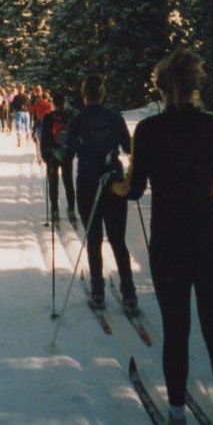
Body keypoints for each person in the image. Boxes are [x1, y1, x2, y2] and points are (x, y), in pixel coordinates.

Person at [111, 49, 213, 425]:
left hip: (169, 240)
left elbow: (133, 191)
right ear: (196, 86)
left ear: (160, 88)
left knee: (176, 330)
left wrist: (114, 183)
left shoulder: (149, 131)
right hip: (211, 238)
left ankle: (176, 422)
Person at [64, 74, 136, 312]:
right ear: (102, 94)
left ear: (84, 95)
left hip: (87, 183)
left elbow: (67, 153)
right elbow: (129, 148)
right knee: (118, 240)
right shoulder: (114, 117)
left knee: (93, 239)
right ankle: (129, 293)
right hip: (114, 183)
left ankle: (97, 292)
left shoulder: (78, 120)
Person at [40, 90, 75, 224]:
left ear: (53, 103)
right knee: (68, 182)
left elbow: (44, 137)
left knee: (53, 182)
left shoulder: (48, 117)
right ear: (64, 103)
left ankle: (54, 209)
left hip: (52, 154)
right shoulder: (69, 116)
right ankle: (71, 208)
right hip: (66, 154)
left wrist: (45, 154)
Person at [11, 83, 31, 147]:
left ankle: (21, 142)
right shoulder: (26, 96)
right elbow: (29, 105)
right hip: (24, 112)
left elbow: (13, 106)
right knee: (24, 127)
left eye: (21, 88)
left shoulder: (17, 97)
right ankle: (24, 142)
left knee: (20, 127)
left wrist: (14, 110)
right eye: (20, 88)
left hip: (21, 112)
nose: (21, 90)